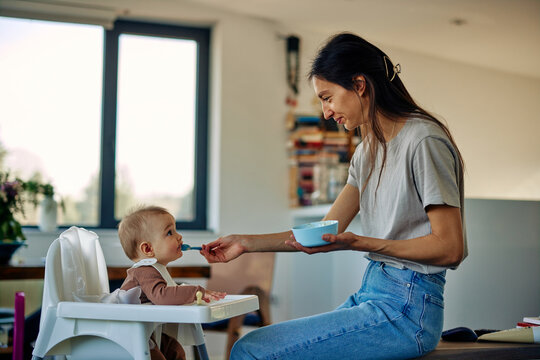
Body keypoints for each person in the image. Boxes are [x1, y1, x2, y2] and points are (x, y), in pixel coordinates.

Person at [201, 32, 466, 359]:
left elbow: (451, 247)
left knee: (251, 350)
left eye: (327, 97)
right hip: (373, 293)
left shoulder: (424, 140)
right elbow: (326, 229)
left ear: (359, 85)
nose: (326, 112)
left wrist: (365, 243)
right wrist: (245, 243)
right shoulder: (367, 151)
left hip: (409, 311)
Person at [118, 205, 226, 360]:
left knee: (175, 350)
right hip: (129, 336)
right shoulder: (143, 271)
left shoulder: (156, 269)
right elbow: (162, 296)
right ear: (148, 248)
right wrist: (195, 291)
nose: (179, 236)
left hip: (149, 331)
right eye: (169, 232)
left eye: (175, 230)